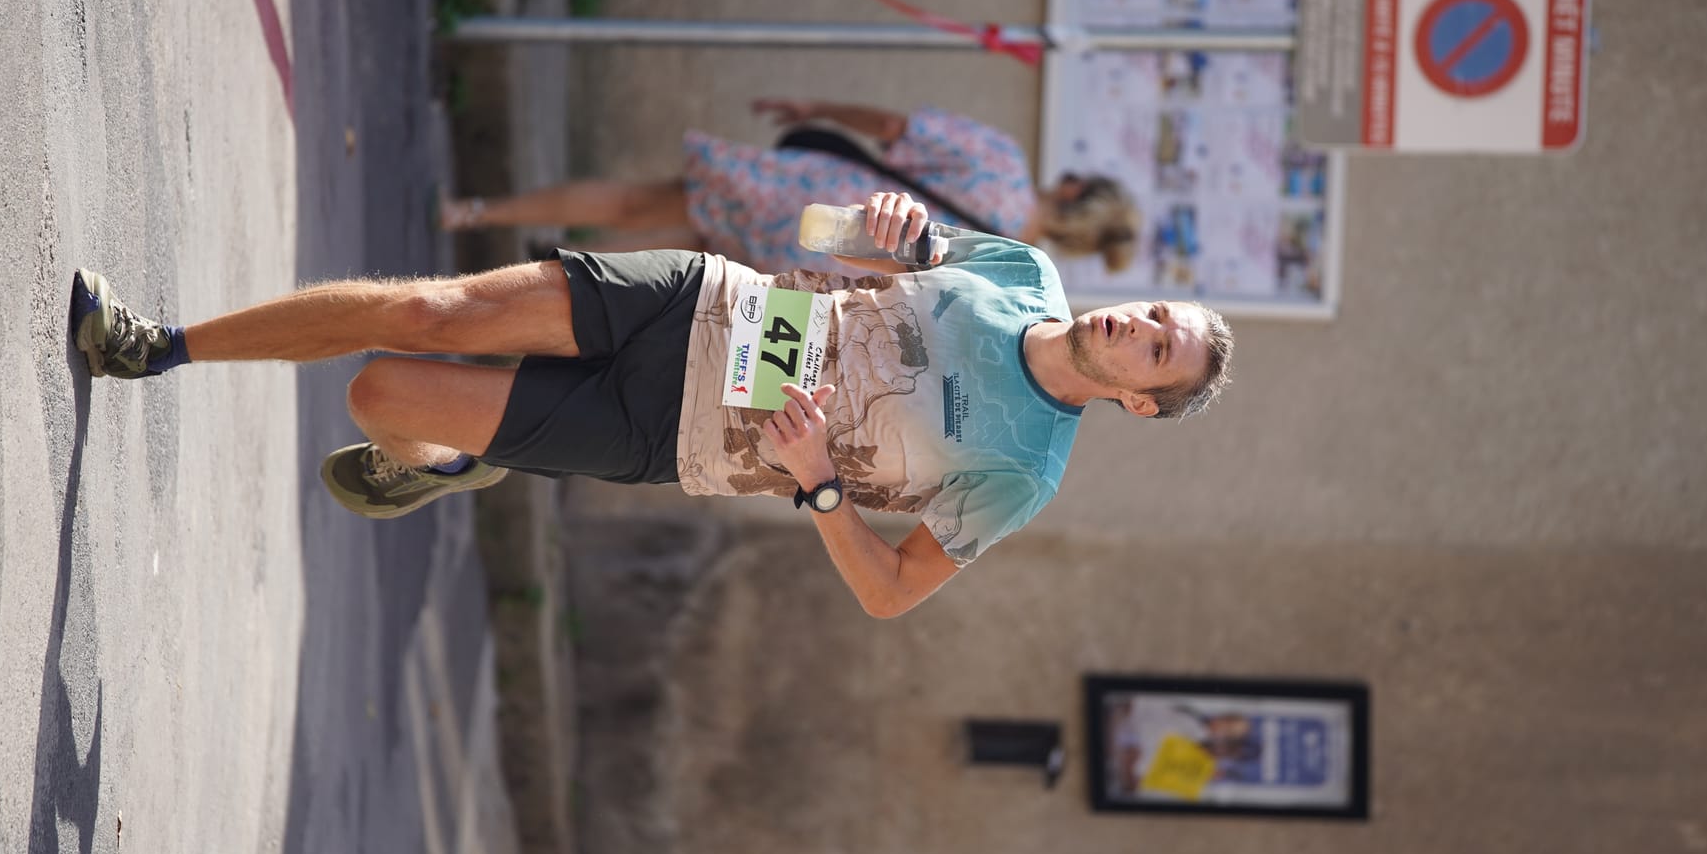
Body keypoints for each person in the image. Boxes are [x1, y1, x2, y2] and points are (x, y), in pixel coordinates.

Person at [70, 192, 1232, 618]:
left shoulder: (1023, 471)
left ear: (1136, 404)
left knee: (381, 391)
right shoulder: (1023, 271)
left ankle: (433, 456)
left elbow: (887, 593)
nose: (1136, 326)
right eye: (1153, 313)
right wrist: (876, 232)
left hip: (676, 434)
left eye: (1155, 353)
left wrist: (822, 483)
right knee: (427, 313)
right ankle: (152, 348)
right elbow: (811, 235)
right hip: (708, 302)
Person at [440, 99, 1144, 274]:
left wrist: (816, 109)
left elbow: (898, 126)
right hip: (811, 261)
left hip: (811, 197)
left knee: (638, 202)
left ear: (1074, 187)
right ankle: (530, 271)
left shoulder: (1002, 165)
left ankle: (476, 212)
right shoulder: (998, 267)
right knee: (666, 255)